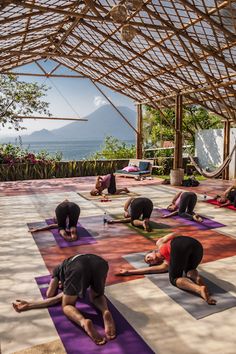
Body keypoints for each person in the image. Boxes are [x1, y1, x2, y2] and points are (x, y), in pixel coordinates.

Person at [12, 253, 116, 345]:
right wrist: (29, 304)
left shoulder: (58, 270)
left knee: (67, 305)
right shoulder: (70, 265)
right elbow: (58, 296)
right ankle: (105, 311)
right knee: (96, 296)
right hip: (100, 263)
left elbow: (50, 294)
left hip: (77, 268)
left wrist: (56, 284)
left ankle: (84, 322)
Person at [116, 233, 216, 305]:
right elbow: (149, 270)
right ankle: (198, 279)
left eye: (148, 257)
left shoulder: (159, 243)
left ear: (152, 252)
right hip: (196, 247)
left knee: (174, 278)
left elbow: (176, 234)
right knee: (189, 268)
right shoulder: (166, 264)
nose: (149, 260)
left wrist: (179, 240)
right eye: (149, 262)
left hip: (181, 243)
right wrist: (129, 272)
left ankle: (199, 289)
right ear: (156, 263)